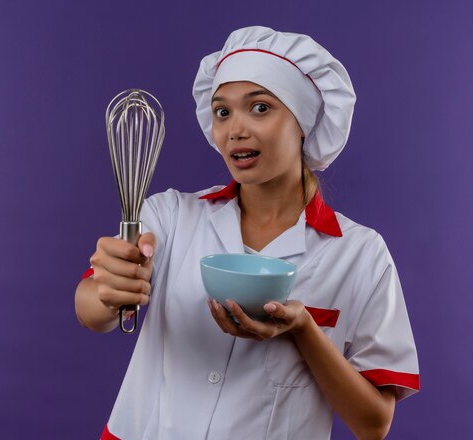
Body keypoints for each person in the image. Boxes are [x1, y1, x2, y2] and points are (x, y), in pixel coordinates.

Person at [75, 26, 419, 440]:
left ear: (303, 122)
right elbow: (93, 311)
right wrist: (112, 288)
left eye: (260, 108)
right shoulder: (169, 215)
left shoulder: (362, 255)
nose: (235, 129)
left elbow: (373, 424)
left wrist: (303, 331)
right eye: (222, 112)